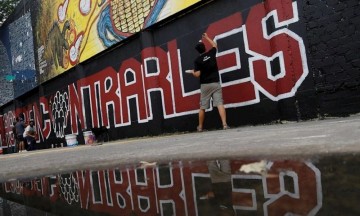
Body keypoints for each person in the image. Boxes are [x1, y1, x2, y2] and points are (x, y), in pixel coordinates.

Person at [188, 33, 229, 132]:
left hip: (205, 85)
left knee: (202, 107)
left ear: (197, 51)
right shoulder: (211, 53)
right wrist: (206, 37)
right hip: (215, 83)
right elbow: (215, 45)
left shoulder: (197, 60)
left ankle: (200, 127)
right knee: (220, 104)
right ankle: (224, 125)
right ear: (205, 47)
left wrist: (192, 72)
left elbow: (197, 74)